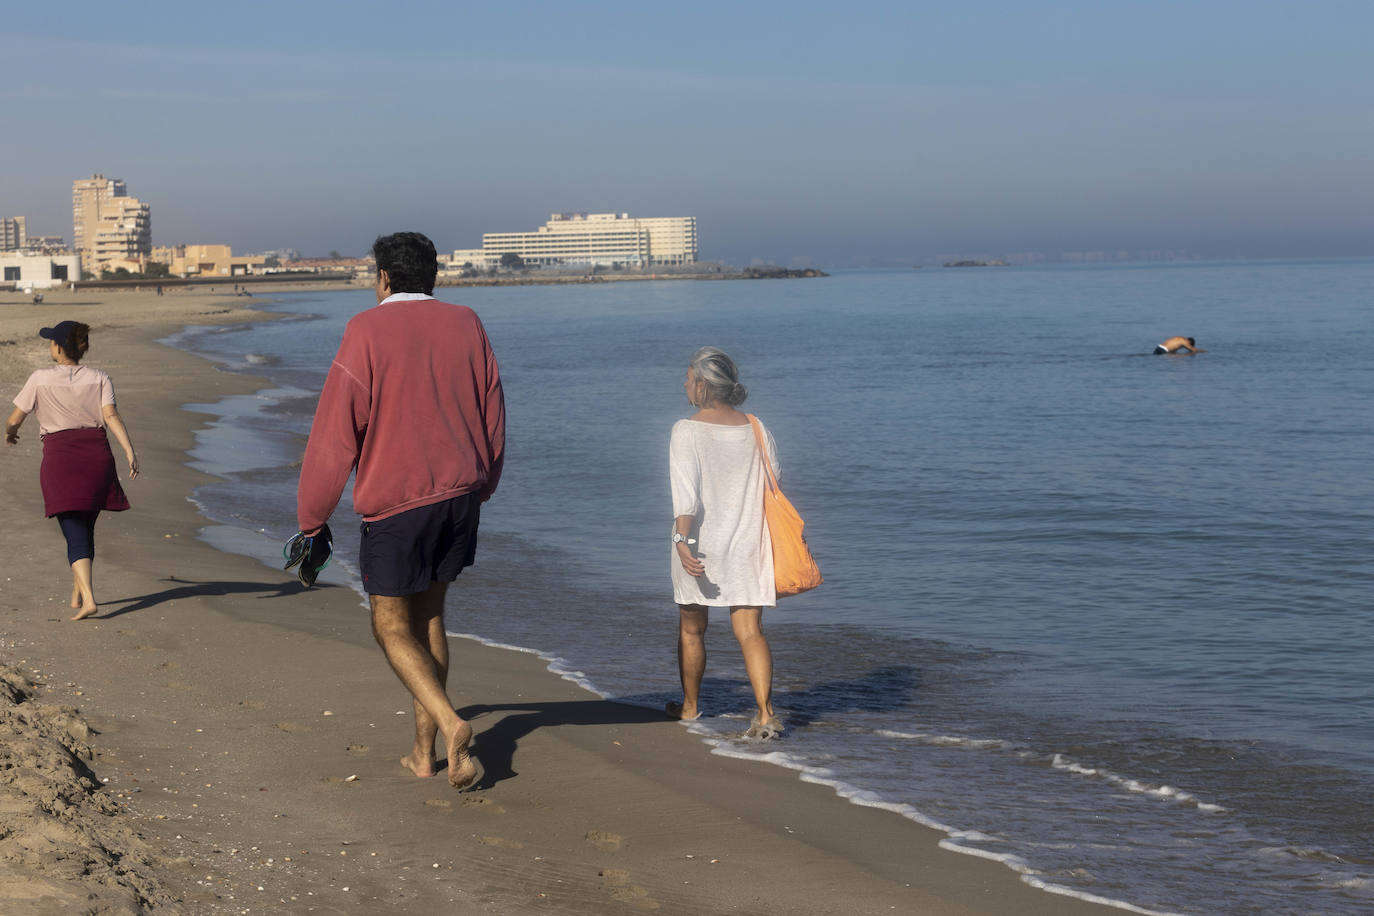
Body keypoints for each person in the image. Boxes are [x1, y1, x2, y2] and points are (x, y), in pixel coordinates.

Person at [295, 232, 505, 789]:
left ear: (383, 278)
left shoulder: (365, 328)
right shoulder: (467, 322)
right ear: (433, 276)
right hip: (460, 496)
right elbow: (492, 409)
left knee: (390, 624)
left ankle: (449, 722)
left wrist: (312, 517)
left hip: (398, 507)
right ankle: (424, 753)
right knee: (430, 617)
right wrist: (483, 486)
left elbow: (337, 431)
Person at [667, 346, 783, 739]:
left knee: (691, 629)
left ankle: (690, 708)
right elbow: (774, 483)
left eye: (687, 377)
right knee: (751, 631)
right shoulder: (756, 427)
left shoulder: (687, 430)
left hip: (699, 544)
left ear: (702, 384)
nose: (684, 384)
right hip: (750, 541)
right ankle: (766, 715)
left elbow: (687, 496)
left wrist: (683, 540)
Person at [6, 321, 139, 619]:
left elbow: (15, 418)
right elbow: (111, 415)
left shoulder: (40, 378)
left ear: (57, 347)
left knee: (73, 527)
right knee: (84, 524)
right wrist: (129, 450)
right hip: (97, 458)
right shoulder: (99, 377)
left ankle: (89, 597)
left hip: (61, 459)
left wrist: (10, 433)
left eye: (50, 341)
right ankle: (78, 591)